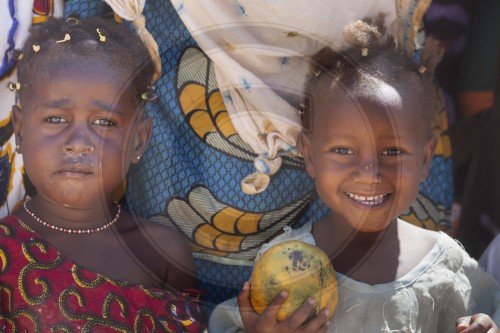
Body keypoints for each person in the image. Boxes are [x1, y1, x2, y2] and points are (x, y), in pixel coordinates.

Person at [208, 21, 500, 333]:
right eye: (344, 150)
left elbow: (487, 315)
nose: (369, 173)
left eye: (392, 152)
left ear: (425, 160)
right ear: (309, 154)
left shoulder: (449, 268)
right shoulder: (280, 266)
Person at [0, 16, 207, 332]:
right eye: (55, 119)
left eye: (105, 122)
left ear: (138, 140)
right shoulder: (3, 250)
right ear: (20, 130)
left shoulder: (164, 252)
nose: (78, 144)